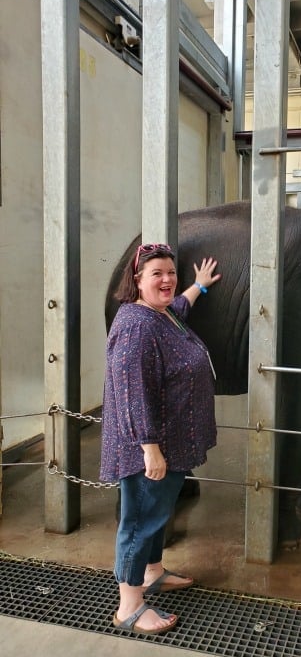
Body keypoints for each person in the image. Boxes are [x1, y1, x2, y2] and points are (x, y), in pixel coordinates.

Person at [100, 242, 221, 635]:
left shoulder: (162, 315)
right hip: (150, 448)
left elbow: (178, 307)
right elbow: (130, 392)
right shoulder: (135, 325)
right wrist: (149, 448)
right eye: (157, 274)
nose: (167, 280)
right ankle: (129, 606)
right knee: (139, 521)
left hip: (171, 443)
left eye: (171, 272)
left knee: (156, 516)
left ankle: (152, 572)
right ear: (136, 281)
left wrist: (198, 286)